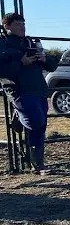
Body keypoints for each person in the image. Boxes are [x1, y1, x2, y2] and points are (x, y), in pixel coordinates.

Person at [0, 13, 59, 175]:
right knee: (35, 121)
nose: (22, 27)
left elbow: (52, 66)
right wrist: (21, 62)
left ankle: (38, 165)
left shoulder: (31, 42)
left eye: (23, 23)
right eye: (18, 24)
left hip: (38, 89)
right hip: (19, 90)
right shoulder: (3, 44)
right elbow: (2, 71)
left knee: (40, 126)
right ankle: (19, 115)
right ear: (7, 26)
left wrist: (44, 58)